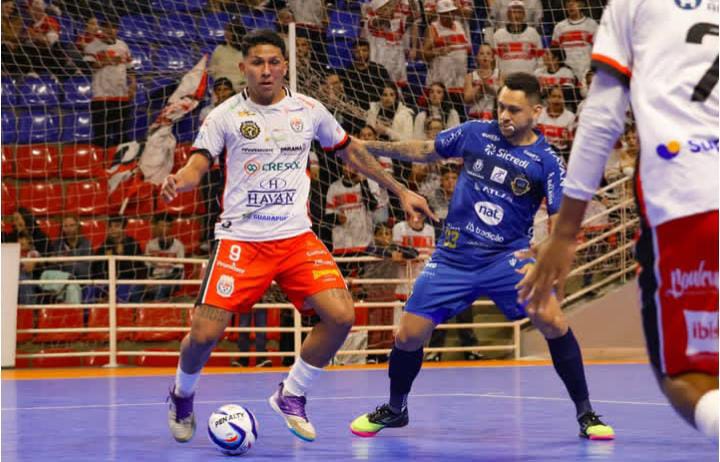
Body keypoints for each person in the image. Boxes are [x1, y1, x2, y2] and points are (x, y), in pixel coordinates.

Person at [161, 29, 433, 444]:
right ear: (244, 67)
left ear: (284, 66)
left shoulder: (308, 110)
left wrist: (400, 190)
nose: (266, 70)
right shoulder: (224, 116)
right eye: (257, 62)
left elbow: (350, 150)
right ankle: (182, 394)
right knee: (203, 335)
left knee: (341, 316)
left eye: (273, 62)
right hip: (241, 240)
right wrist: (180, 180)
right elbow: (198, 164)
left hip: (295, 238)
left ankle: (291, 393)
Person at [349, 72, 614, 440]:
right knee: (408, 336)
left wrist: (543, 261)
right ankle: (396, 409)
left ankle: (586, 414)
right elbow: (425, 150)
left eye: (514, 110)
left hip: (506, 260)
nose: (504, 115)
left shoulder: (547, 161)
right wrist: (369, 146)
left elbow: (560, 225)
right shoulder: (475, 132)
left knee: (553, 320)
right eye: (501, 107)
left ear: (536, 111)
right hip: (452, 257)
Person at [517, 0, 718, 443]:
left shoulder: (634, 4)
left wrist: (565, 232)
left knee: (688, 375)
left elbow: (602, 118)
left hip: (690, 197)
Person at [84, 18, 136, 149]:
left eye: (113, 27)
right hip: (101, 96)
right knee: (101, 136)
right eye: (106, 27)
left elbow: (130, 67)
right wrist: (109, 61)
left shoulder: (123, 45)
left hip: (121, 96)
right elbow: (87, 67)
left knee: (122, 135)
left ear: (117, 29)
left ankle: (120, 160)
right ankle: (101, 160)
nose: (110, 30)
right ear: (102, 29)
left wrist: (133, 85)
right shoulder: (93, 46)